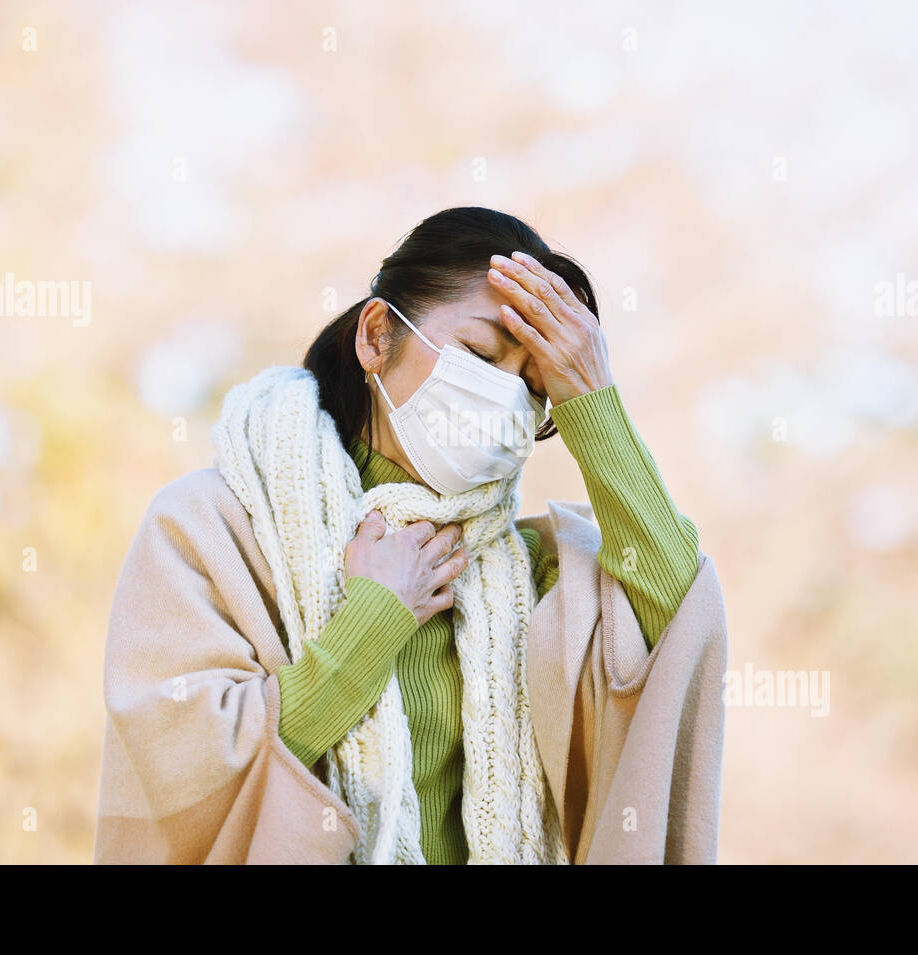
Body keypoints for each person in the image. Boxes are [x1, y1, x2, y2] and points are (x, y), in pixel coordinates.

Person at [93, 206, 729, 865]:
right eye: (480, 355)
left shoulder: (539, 573)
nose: (503, 397)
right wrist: (372, 623)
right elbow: (188, 774)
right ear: (376, 337)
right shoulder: (211, 529)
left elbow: (680, 609)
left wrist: (591, 396)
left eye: (533, 386)